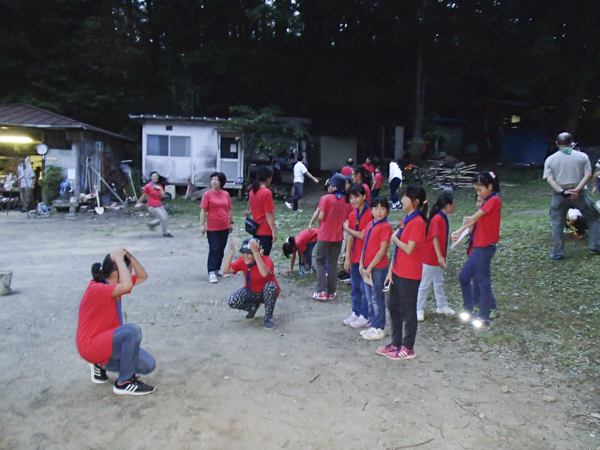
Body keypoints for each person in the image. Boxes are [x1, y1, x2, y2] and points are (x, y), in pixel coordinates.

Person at [76, 248, 156, 396]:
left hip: (105, 341)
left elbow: (142, 276)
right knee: (132, 332)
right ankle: (124, 383)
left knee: (148, 365)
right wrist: (119, 259)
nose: (130, 274)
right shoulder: (97, 288)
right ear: (116, 273)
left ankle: (100, 364)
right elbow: (127, 285)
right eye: (127, 270)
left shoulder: (113, 287)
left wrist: (129, 257)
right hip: (91, 344)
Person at [377, 186, 427, 360]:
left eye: (406, 197)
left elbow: (408, 248)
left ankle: (408, 347)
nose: (403, 199)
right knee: (393, 306)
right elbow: (399, 251)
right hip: (398, 271)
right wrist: (391, 270)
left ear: (415, 202)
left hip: (410, 273)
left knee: (408, 310)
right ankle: (396, 343)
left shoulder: (418, 222)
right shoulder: (406, 219)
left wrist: (393, 238)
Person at [451, 172, 502, 329]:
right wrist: (461, 231)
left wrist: (459, 231)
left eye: (480, 190)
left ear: (490, 187)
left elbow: (474, 218)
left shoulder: (494, 200)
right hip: (478, 247)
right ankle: (468, 311)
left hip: (485, 247)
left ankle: (483, 317)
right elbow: (474, 220)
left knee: (482, 282)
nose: (478, 194)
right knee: (464, 277)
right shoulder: (487, 200)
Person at [543, 132, 600, 258]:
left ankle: (558, 252)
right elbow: (588, 175)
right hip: (579, 193)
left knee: (558, 223)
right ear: (572, 142)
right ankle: (594, 246)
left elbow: (550, 179)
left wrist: (562, 191)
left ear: (557, 144)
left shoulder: (551, 159)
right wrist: (577, 190)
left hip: (560, 195)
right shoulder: (582, 156)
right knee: (593, 218)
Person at [309, 173, 353, 301]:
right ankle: (331, 291)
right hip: (338, 236)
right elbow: (347, 219)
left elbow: (321, 216)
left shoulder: (326, 199)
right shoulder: (347, 202)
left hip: (324, 235)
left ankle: (321, 290)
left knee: (320, 260)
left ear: (333, 187)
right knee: (333, 263)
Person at [222, 237, 280, 329]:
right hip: (251, 291)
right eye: (243, 253)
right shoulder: (243, 261)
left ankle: (268, 317)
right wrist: (232, 251)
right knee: (232, 300)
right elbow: (225, 270)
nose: (245, 256)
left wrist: (256, 253)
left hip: (266, 292)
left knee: (271, 287)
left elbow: (264, 273)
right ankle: (253, 307)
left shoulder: (266, 260)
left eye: (249, 253)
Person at [416, 192, 456, 321]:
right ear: (448, 205)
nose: (454, 206)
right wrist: (439, 256)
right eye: (452, 204)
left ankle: (441, 305)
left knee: (439, 281)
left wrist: (451, 238)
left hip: (438, 256)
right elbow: (434, 238)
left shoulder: (442, 217)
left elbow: (439, 235)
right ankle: (419, 308)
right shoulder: (438, 218)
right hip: (430, 256)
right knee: (425, 283)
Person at [357, 197, 393, 341]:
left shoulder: (385, 227)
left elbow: (383, 250)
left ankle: (379, 327)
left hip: (377, 268)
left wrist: (370, 267)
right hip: (366, 268)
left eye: (383, 208)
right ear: (371, 210)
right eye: (376, 208)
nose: (379, 211)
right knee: (369, 297)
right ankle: (373, 324)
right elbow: (365, 246)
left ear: (387, 211)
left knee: (377, 298)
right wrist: (361, 264)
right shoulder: (369, 224)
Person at [342, 184, 372, 329]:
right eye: (351, 198)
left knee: (364, 287)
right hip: (355, 256)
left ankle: (365, 315)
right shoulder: (352, 214)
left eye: (356, 197)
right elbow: (350, 237)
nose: (353, 200)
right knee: (355, 287)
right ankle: (356, 311)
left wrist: (347, 228)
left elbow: (362, 235)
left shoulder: (371, 213)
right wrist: (347, 257)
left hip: (366, 257)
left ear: (364, 196)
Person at [200, 172, 234, 283]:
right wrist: (202, 225)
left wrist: (231, 223)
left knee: (221, 249)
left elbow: (229, 209)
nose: (214, 182)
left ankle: (218, 269)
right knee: (214, 249)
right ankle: (211, 271)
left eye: (216, 180)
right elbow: (203, 211)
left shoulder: (226, 194)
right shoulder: (207, 194)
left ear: (221, 182)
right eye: (212, 179)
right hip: (212, 227)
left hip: (224, 226)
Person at [248, 166, 278, 256]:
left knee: (257, 255)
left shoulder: (252, 191)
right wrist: (274, 231)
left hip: (255, 227)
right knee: (264, 256)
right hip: (265, 229)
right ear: (268, 178)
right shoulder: (266, 192)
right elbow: (268, 214)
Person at [136, 171, 173, 238]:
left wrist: (160, 189)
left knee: (165, 218)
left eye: (157, 176)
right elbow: (144, 195)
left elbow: (163, 196)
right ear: (151, 178)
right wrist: (138, 202)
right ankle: (165, 233)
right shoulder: (148, 186)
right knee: (163, 219)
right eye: (154, 176)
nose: (156, 177)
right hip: (152, 206)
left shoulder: (159, 186)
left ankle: (151, 224)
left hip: (159, 205)